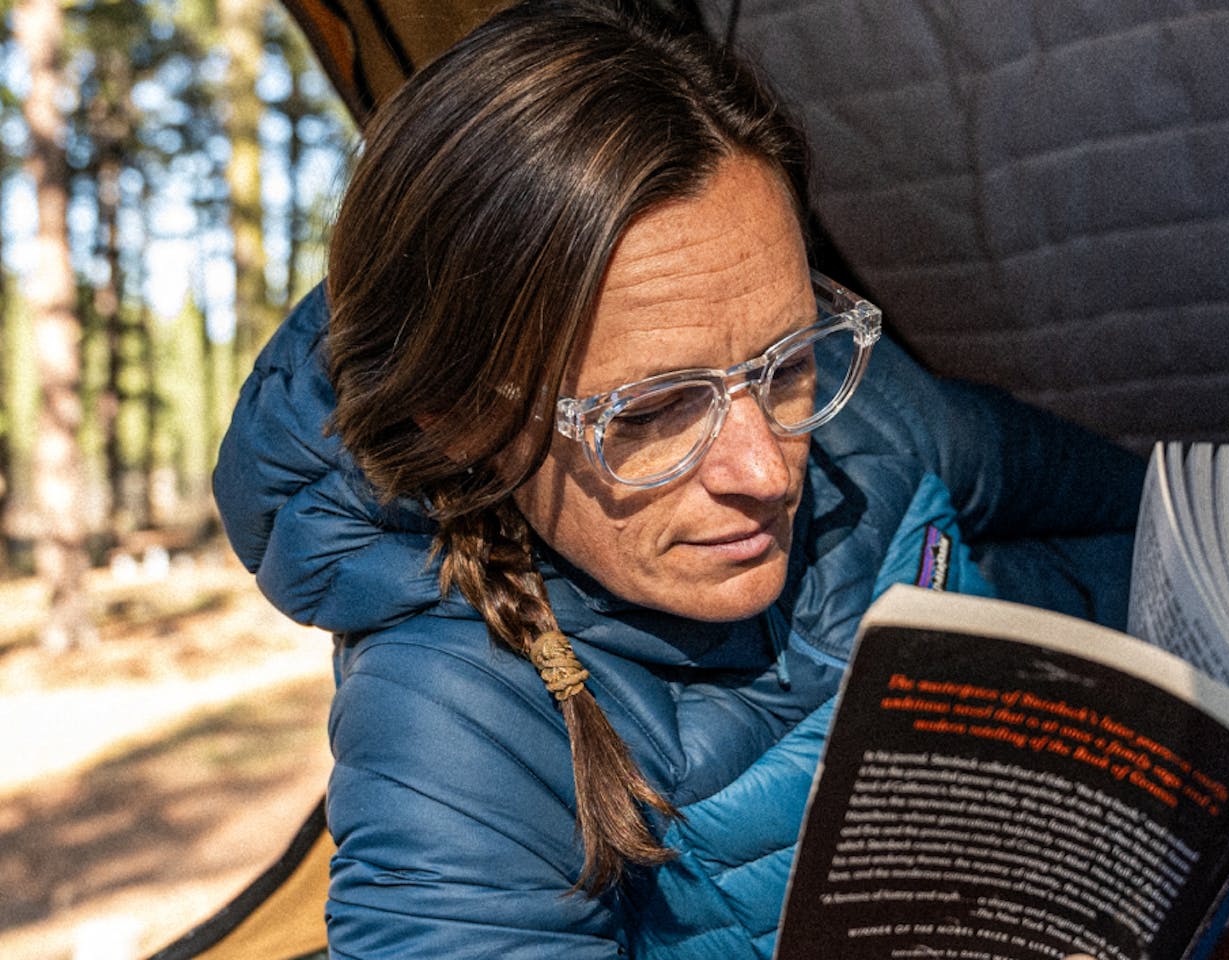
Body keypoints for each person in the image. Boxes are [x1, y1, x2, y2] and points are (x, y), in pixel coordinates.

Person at [212, 1, 1163, 956]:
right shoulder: (454, 727)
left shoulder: (859, 408)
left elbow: (1142, 537)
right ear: (462, 420)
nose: (762, 470)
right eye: (650, 411)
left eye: (783, 358)